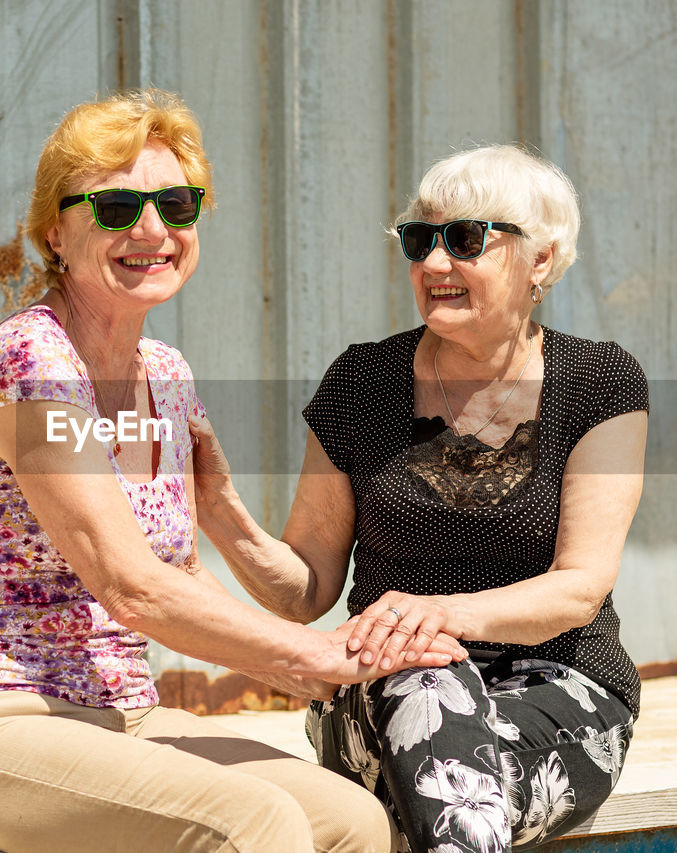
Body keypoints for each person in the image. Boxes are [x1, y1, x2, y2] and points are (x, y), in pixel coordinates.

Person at [0, 88, 466, 853]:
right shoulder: (31, 362)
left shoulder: (161, 374)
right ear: (55, 232)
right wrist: (314, 655)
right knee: (252, 825)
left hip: (123, 713)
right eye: (115, 208)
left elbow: (177, 571)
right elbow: (128, 581)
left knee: (354, 821)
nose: (153, 229)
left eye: (176, 202)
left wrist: (326, 650)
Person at [191, 144, 648, 851]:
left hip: (556, 693)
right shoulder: (361, 382)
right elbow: (306, 587)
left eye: (464, 240)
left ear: (542, 261)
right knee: (426, 682)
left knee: (440, 734)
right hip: (382, 696)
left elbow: (578, 588)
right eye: (419, 240)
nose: (435, 265)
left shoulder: (596, 382)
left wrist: (434, 613)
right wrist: (220, 510)